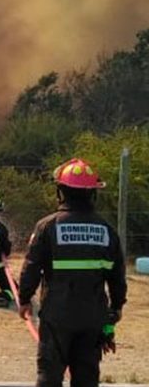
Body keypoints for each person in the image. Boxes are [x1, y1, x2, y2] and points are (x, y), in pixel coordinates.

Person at [18, 158, 127, 387]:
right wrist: (115, 310)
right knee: (86, 378)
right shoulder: (107, 231)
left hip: (56, 317)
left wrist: (25, 298)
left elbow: (31, 267)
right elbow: (117, 277)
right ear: (92, 194)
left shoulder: (47, 227)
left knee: (49, 376)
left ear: (61, 192)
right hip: (92, 318)